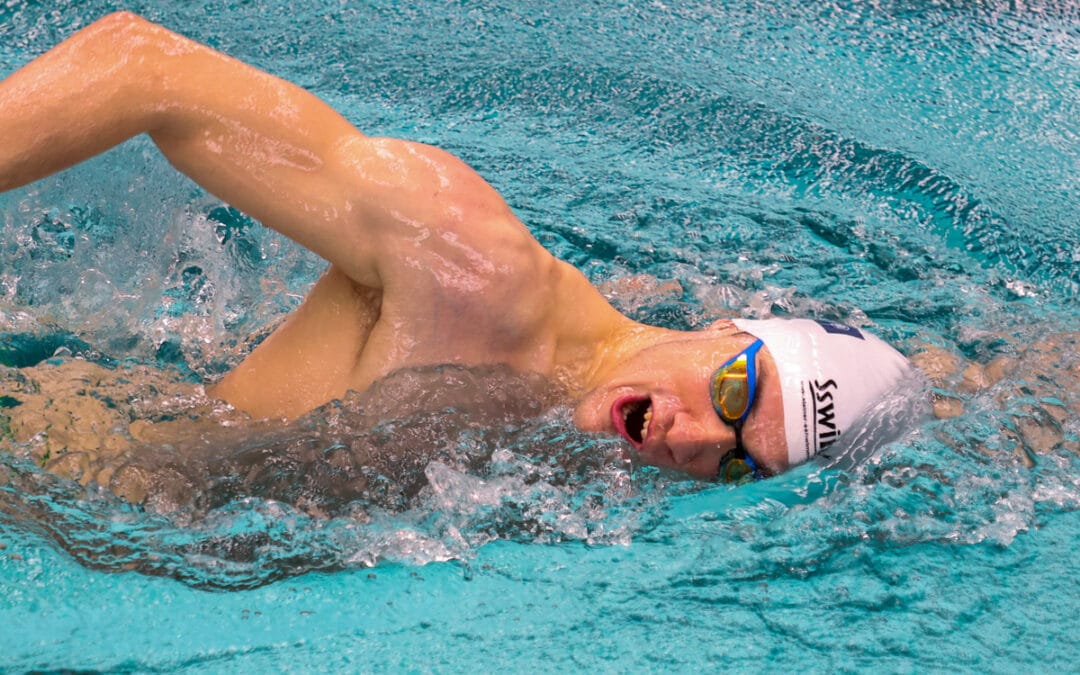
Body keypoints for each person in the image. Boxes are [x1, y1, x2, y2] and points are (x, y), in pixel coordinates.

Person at [0, 12, 915, 484]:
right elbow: (144, 66)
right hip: (54, 459)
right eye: (733, 391)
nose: (698, 441)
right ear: (725, 327)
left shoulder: (570, 463)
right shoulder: (466, 260)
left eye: (738, 462)